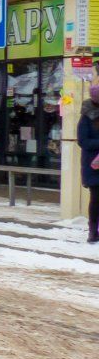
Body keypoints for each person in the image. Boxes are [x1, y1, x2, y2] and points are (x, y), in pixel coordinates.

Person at [79, 83, 99, 244]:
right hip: (94, 164)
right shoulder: (86, 116)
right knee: (96, 198)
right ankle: (93, 231)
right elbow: (83, 141)